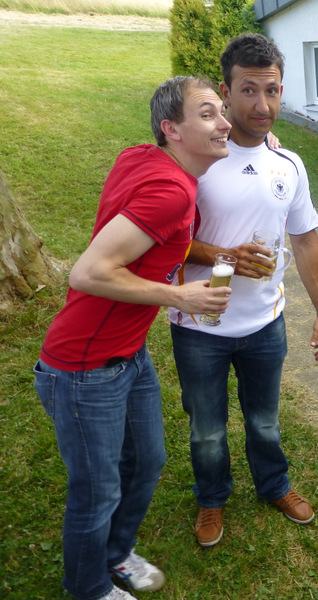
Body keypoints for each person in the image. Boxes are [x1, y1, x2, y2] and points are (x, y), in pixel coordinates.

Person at [33, 76, 232, 600]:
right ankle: (89, 588)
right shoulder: (170, 191)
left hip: (129, 355)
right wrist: (179, 297)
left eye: (222, 112)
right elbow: (88, 273)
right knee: (97, 491)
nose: (224, 123)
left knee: (146, 462)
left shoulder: (147, 158)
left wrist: (267, 141)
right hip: (83, 367)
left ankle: (116, 553)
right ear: (172, 130)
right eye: (208, 114)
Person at [169, 33, 318, 548]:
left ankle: (274, 485)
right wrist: (223, 256)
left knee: (264, 421)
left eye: (272, 90)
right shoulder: (192, 162)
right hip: (200, 325)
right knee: (207, 428)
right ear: (226, 91)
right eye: (248, 90)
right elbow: (162, 243)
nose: (262, 105)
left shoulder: (289, 164)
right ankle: (211, 497)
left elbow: (304, 240)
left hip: (266, 322)